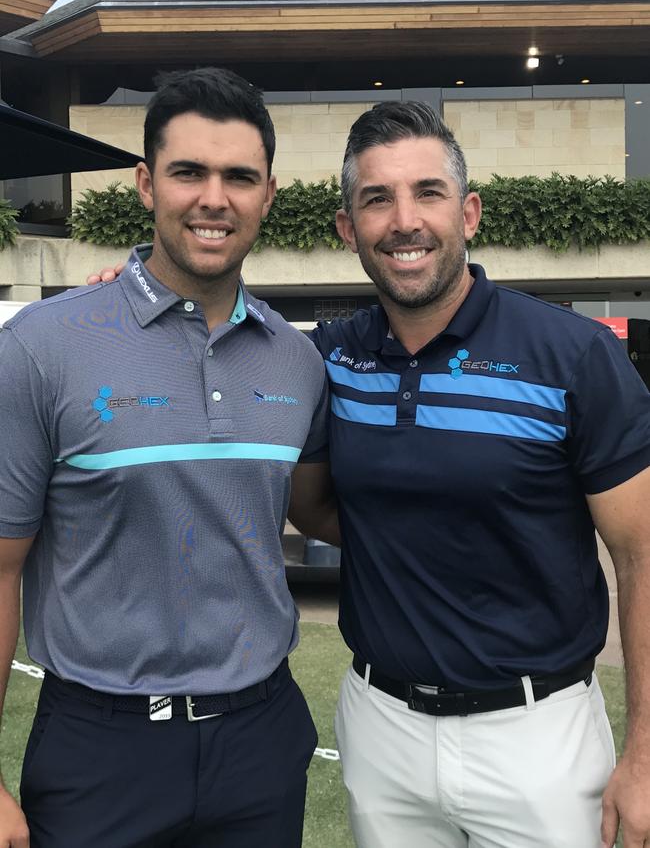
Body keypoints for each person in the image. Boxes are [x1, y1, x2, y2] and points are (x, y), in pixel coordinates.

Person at [88, 101, 650, 847]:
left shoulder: (573, 354)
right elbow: (310, 497)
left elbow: (641, 554)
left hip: (538, 734)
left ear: (469, 212)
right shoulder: (322, 359)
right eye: (376, 199)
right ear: (348, 228)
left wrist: (644, 751)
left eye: (428, 192)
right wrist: (119, 309)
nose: (404, 220)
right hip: (382, 726)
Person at [0, 66, 337, 848]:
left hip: (262, 740)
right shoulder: (42, 348)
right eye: (190, 172)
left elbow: (324, 510)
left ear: (269, 195)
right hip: (98, 745)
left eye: (239, 177)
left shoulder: (299, 362)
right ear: (148, 184)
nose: (214, 198)